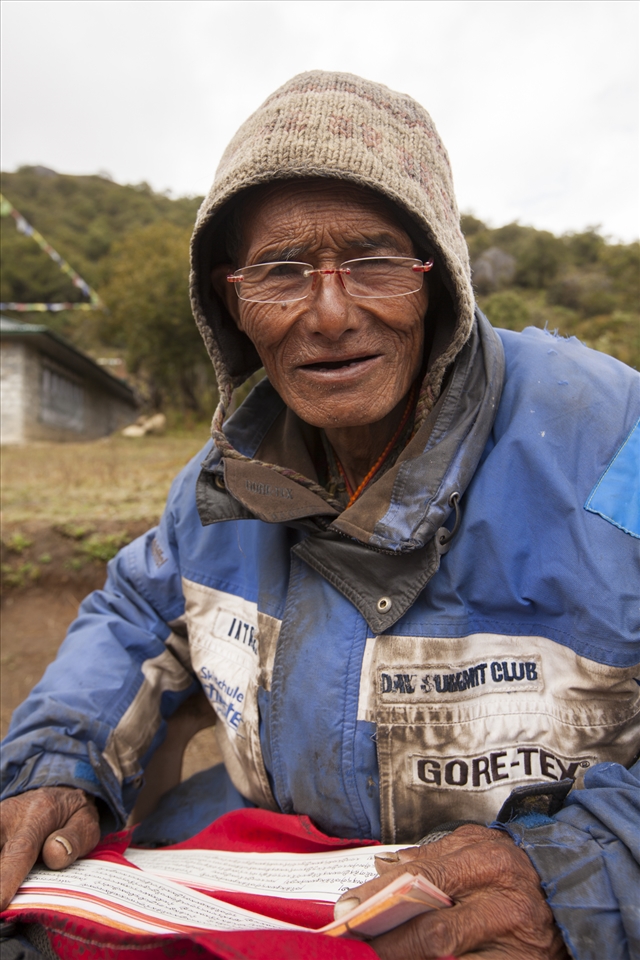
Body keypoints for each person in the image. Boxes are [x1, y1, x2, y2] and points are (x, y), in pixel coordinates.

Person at [1, 71, 639, 960]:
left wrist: (587, 874)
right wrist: (54, 762)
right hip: (275, 876)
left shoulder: (614, 438)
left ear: (439, 280)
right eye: (280, 272)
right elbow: (135, 614)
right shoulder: (221, 484)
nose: (330, 313)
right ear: (231, 303)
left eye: (375, 261)